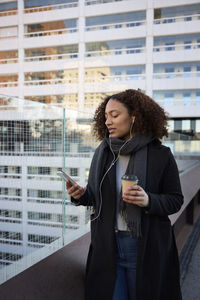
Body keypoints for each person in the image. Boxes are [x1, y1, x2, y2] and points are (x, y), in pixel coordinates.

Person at [66, 89, 183, 300]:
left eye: (115, 115)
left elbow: (175, 200)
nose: (108, 121)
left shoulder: (161, 155)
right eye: (106, 116)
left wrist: (148, 200)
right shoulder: (103, 153)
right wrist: (79, 195)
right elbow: (94, 197)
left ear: (134, 117)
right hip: (107, 247)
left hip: (145, 247)